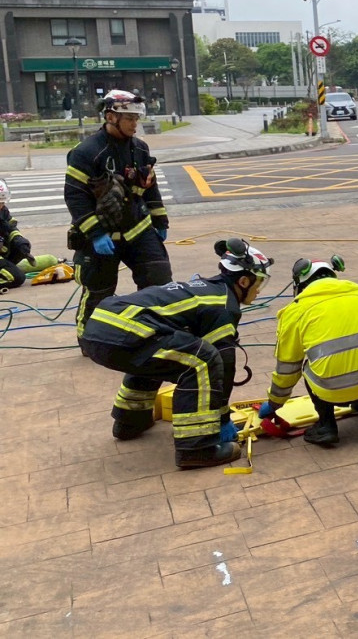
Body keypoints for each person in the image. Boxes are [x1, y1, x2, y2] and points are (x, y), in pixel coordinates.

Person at [78, 238, 273, 469]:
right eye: (258, 283)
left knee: (163, 355)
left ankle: (131, 422)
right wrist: (222, 418)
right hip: (127, 332)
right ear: (243, 280)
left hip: (100, 329)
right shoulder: (223, 304)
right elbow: (224, 361)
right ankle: (197, 448)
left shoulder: (204, 289)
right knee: (203, 361)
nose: (259, 290)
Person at [258, 255, 358, 447]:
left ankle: (327, 426)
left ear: (300, 284)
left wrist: (274, 403)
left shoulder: (295, 311)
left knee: (308, 363)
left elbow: (287, 368)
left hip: (332, 392)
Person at [64, 90, 172, 341]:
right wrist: (95, 233)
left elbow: (150, 186)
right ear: (111, 117)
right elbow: (75, 197)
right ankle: (89, 339)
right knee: (99, 290)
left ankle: (155, 331)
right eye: (130, 118)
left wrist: (160, 220)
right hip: (101, 234)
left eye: (137, 118)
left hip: (137, 229)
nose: (136, 123)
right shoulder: (86, 152)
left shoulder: (140, 149)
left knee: (159, 280)